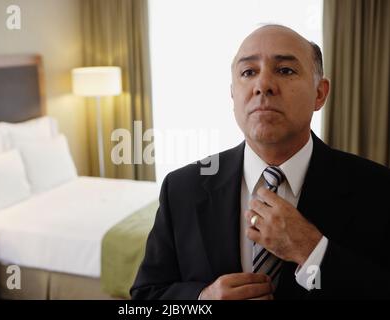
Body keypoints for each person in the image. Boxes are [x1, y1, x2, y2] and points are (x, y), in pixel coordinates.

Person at [130, 25, 390, 299]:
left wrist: (313, 250)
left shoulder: (377, 188)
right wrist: (202, 300)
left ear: (320, 93)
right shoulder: (181, 188)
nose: (263, 85)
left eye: (285, 70)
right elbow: (144, 297)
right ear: (233, 94)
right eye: (248, 72)